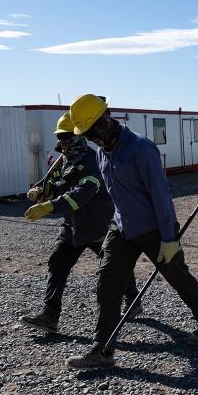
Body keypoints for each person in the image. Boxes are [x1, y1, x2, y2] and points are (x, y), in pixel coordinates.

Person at [64, 94, 198, 369]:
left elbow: (161, 196)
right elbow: (116, 194)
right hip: (122, 226)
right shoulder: (102, 152)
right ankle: (102, 350)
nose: (94, 138)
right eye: (88, 134)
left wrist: (169, 239)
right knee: (107, 281)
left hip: (154, 228)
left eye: (95, 130)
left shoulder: (140, 148)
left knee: (177, 277)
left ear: (108, 116)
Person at [19, 112, 142, 334]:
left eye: (67, 136)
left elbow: (82, 193)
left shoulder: (93, 160)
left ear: (78, 136)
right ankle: (50, 316)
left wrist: (50, 206)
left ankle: (132, 300)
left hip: (98, 226)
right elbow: (57, 181)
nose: (63, 141)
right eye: (60, 137)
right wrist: (42, 189)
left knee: (115, 268)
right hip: (73, 227)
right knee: (57, 264)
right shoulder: (65, 159)